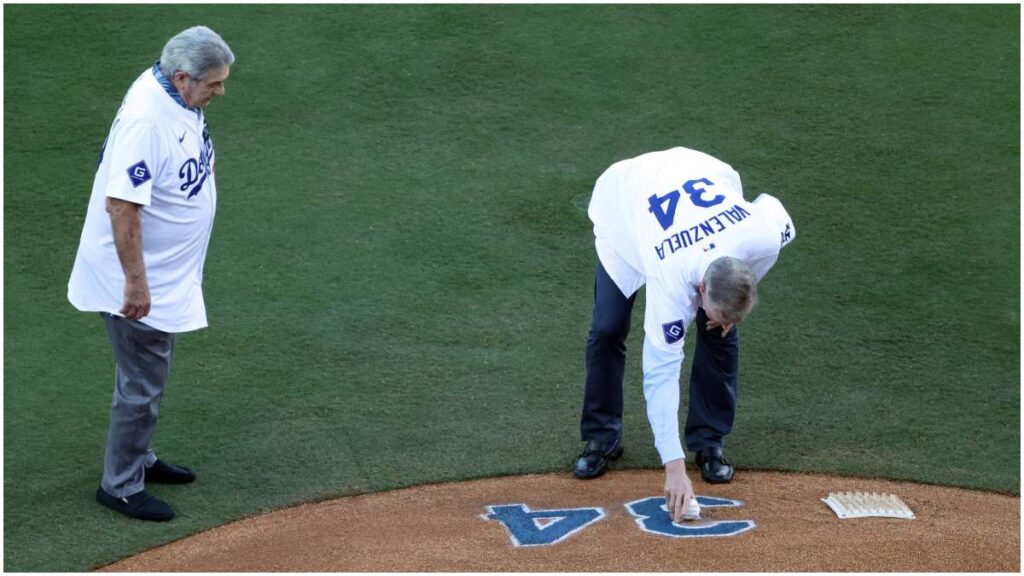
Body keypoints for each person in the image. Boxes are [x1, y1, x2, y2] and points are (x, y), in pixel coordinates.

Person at [573, 146, 796, 523]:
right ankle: (602, 436)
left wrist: (731, 312)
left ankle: (709, 443)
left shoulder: (760, 233)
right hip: (625, 209)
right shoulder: (671, 282)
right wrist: (673, 469)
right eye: (708, 307)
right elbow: (660, 373)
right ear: (701, 290)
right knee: (608, 327)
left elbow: (779, 216)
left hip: (698, 169)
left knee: (719, 334)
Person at [67, 26, 235, 522]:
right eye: (214, 83)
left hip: (164, 272)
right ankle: (120, 486)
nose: (220, 91)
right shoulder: (147, 122)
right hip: (138, 279)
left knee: (146, 375)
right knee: (142, 382)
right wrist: (136, 284)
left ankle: (138, 456)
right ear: (181, 77)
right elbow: (121, 205)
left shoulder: (173, 93)